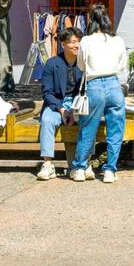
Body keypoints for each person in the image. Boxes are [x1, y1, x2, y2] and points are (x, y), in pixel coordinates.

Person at [73, 4, 129, 183]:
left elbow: (81, 66)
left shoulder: (86, 41)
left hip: (94, 84)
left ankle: (81, 167)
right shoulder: (117, 40)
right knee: (116, 130)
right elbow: (122, 66)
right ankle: (110, 170)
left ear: (91, 19)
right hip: (113, 83)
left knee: (87, 128)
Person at [36, 28, 83, 180]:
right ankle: (48, 164)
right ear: (64, 44)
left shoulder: (84, 63)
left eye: (79, 42)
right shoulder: (52, 63)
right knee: (47, 120)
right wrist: (61, 109)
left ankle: (82, 164)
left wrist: (76, 108)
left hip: (77, 103)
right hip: (57, 103)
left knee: (88, 120)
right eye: (73, 42)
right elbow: (47, 92)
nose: (77, 45)